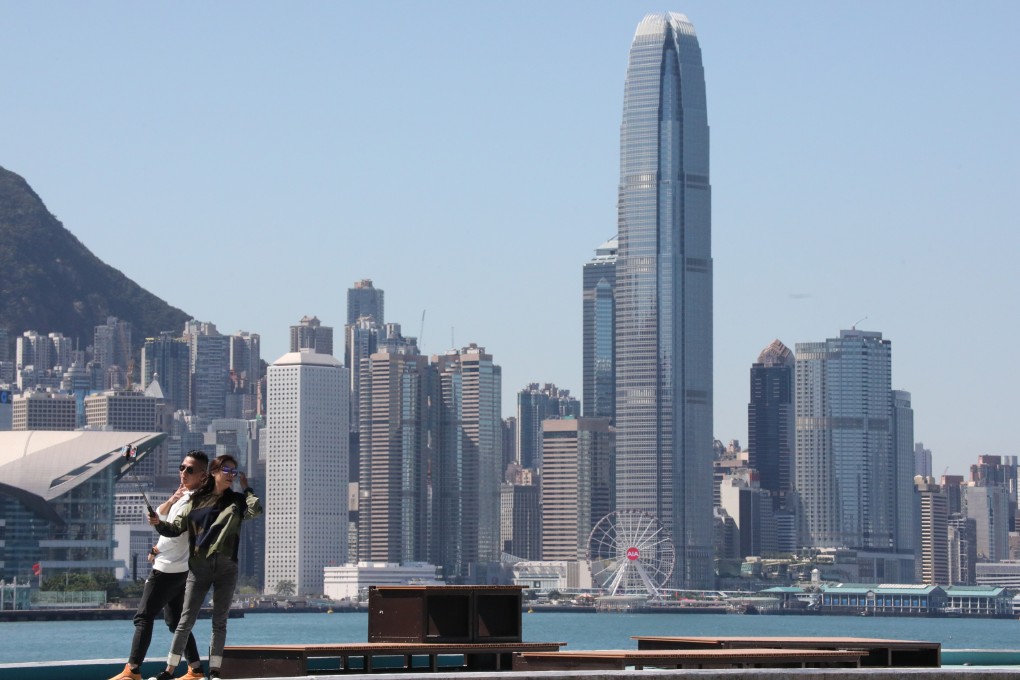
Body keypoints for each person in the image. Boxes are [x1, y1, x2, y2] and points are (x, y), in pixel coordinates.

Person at [147, 454, 262, 680]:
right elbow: (174, 529)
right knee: (185, 621)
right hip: (199, 567)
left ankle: (215, 672)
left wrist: (247, 489)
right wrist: (159, 524)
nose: (231, 475)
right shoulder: (196, 501)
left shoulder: (237, 501)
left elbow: (255, 510)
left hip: (227, 568)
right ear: (214, 472)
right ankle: (169, 670)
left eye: (234, 472)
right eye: (226, 470)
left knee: (220, 622)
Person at [108, 451, 209, 680]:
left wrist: (160, 537)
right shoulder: (186, 497)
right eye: (182, 467)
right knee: (175, 622)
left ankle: (132, 670)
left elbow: (174, 532)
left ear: (203, 476)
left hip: (166, 569)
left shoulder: (194, 503)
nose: (183, 472)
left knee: (143, 617)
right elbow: (162, 516)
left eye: (190, 470)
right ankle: (195, 670)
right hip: (178, 569)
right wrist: (172, 500)